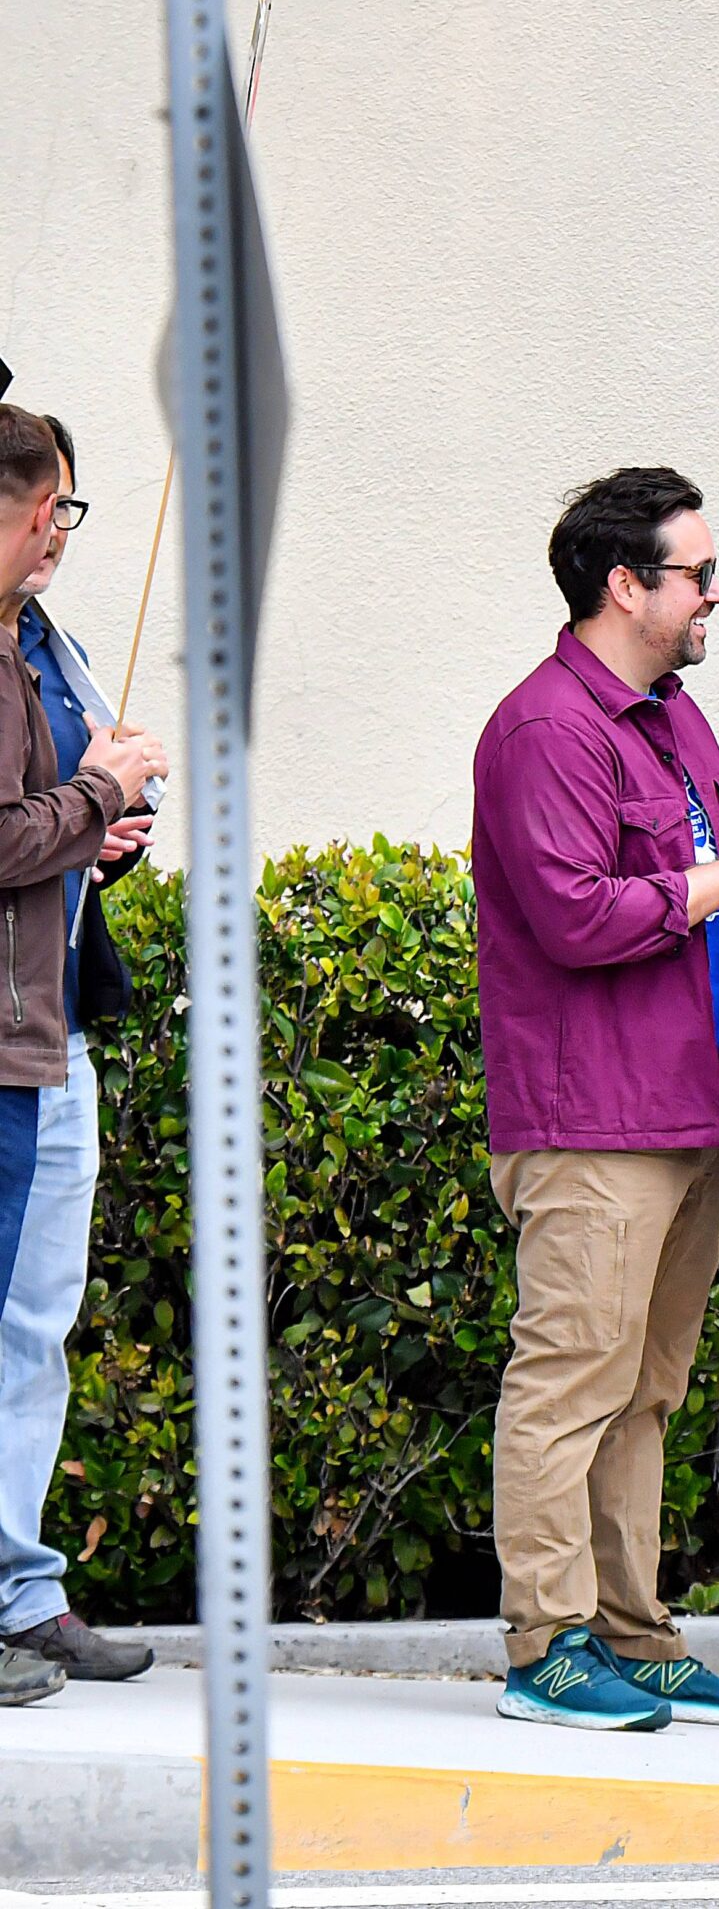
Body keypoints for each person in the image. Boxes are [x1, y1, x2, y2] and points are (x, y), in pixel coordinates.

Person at [472, 466, 719, 1732]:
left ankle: (632, 1629)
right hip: (591, 1120)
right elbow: (576, 915)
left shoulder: (672, 718)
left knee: (646, 1390)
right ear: (627, 585)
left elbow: (692, 879)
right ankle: (546, 1645)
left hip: (685, 1108)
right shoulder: (544, 730)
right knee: (571, 1381)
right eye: (696, 573)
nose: (713, 591)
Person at [0, 406, 164, 1710]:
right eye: (55, 502)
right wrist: (95, 797)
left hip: (52, 1027)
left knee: (34, 1326)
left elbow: (43, 827)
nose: (63, 527)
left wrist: (101, 824)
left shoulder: (43, 645)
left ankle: (21, 1587)